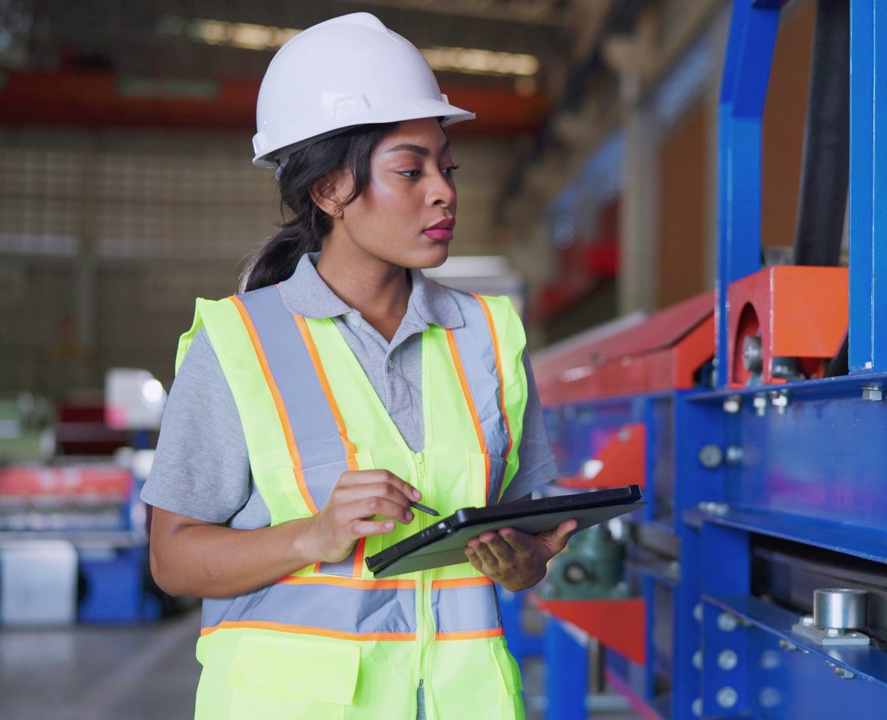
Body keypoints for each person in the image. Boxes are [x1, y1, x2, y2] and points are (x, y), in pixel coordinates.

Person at [142, 13, 569, 720]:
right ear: (330, 190)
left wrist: (528, 561)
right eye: (411, 169)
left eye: (446, 167)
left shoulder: (489, 335)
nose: (443, 191)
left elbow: (525, 527)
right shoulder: (240, 343)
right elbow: (174, 559)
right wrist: (315, 533)